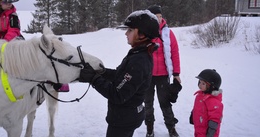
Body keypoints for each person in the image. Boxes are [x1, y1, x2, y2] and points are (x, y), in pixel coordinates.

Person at [78, 10, 160, 137]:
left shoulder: (139, 61)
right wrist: (102, 72)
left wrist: (93, 79)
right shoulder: (138, 54)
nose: (126, 33)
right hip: (126, 117)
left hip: (124, 120)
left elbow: (118, 95)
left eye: (130, 30)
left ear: (142, 34)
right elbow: (122, 76)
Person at [144, 5, 181, 137]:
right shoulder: (144, 33)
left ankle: (171, 128)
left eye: (160, 16)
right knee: (147, 104)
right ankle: (149, 129)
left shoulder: (168, 33)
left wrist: (176, 74)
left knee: (165, 103)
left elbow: (175, 53)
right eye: (156, 17)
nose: (159, 19)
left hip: (163, 75)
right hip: (147, 75)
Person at [190, 69, 223, 137]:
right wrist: (192, 114)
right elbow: (197, 108)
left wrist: (210, 133)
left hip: (207, 133)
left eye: (203, 83)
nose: (200, 85)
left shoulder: (214, 102)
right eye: (200, 82)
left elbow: (215, 119)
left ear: (212, 86)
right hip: (199, 128)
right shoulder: (199, 96)